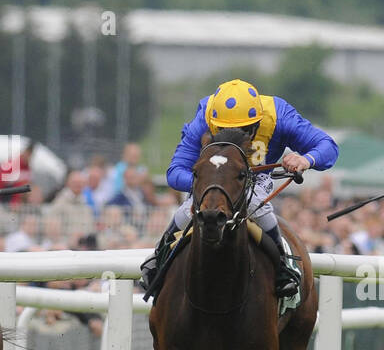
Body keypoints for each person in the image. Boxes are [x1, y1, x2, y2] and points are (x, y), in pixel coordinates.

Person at [140, 79, 339, 297]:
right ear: (214, 123)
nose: (234, 135)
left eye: (243, 130)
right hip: (211, 183)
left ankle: (283, 269)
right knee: (185, 211)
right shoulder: (205, 117)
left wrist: (306, 159)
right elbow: (175, 172)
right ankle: (157, 260)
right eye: (225, 130)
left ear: (257, 122)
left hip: (255, 179)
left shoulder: (279, 115)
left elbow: (327, 146)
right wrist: (210, 184)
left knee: (256, 205)